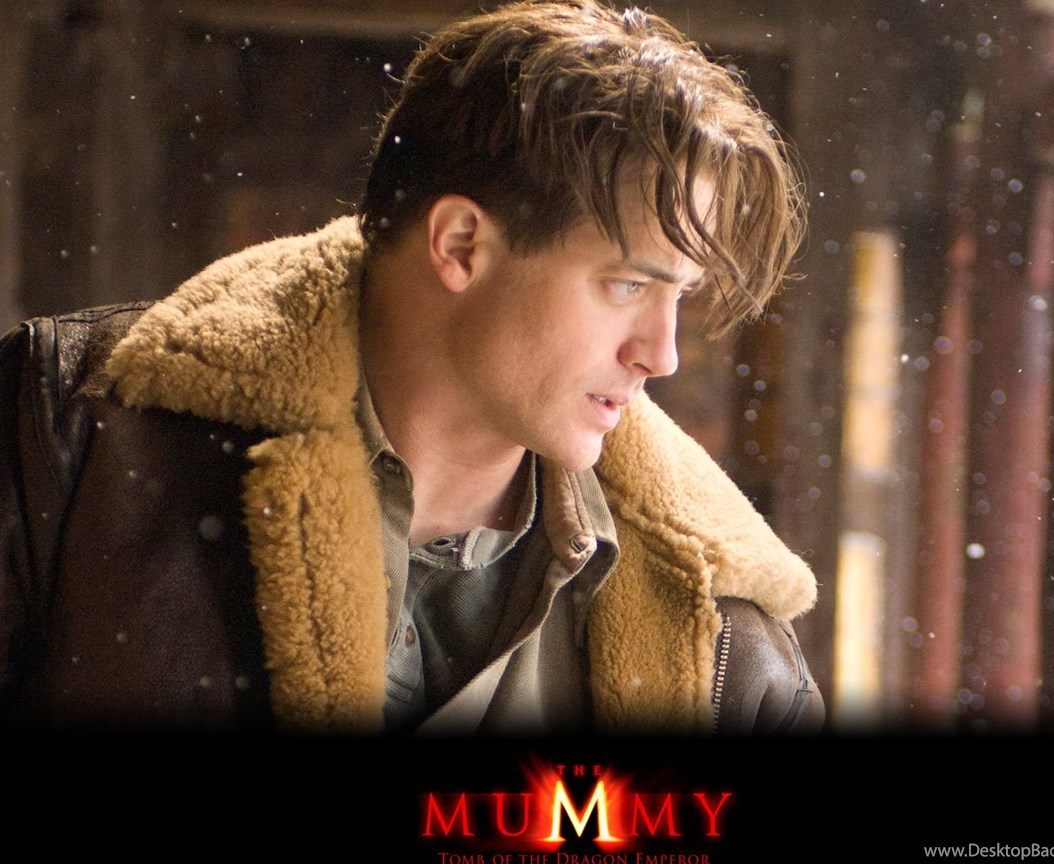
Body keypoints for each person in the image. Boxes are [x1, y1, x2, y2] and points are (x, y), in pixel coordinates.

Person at [0, 0, 823, 735]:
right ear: (460, 245)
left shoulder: (724, 633)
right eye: (628, 285)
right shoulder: (74, 436)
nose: (662, 354)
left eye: (681, 296)